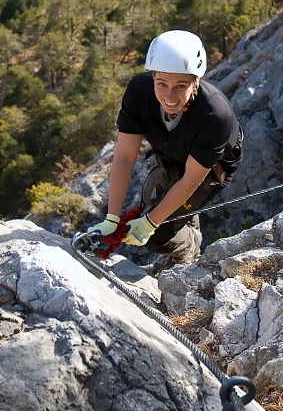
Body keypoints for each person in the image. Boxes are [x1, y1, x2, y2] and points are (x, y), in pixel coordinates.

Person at [87, 30, 243, 268]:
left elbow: (191, 179)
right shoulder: (140, 92)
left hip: (210, 167)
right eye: (162, 83)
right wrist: (112, 217)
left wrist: (150, 223)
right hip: (171, 152)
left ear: (196, 81)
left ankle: (188, 246)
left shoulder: (214, 115)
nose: (170, 96)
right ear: (153, 77)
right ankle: (186, 218)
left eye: (181, 85)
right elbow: (125, 156)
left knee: (158, 235)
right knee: (162, 206)